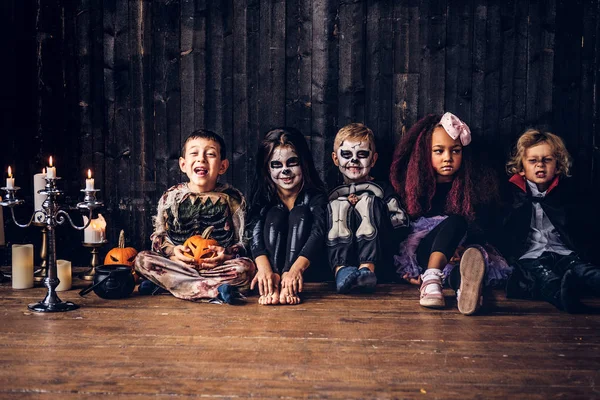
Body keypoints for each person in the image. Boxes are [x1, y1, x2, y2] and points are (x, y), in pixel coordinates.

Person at [390, 113, 511, 314]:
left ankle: (464, 289)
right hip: (425, 254)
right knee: (455, 220)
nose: (448, 158)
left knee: (462, 269)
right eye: (439, 151)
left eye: (455, 151)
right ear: (424, 154)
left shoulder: (475, 188)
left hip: (462, 252)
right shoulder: (417, 189)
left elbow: (484, 225)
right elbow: (401, 229)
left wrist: (462, 248)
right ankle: (431, 278)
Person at [134, 129, 256, 303]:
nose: (201, 159)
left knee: (246, 268)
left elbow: (243, 240)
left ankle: (168, 286)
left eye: (211, 154)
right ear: (183, 164)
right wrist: (173, 253)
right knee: (141, 260)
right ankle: (216, 291)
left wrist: (227, 254)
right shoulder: (172, 197)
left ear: (222, 166)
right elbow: (159, 237)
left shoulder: (232, 198)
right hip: (178, 265)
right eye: (194, 153)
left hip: (216, 267)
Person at [499, 128, 600, 312]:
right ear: (521, 168)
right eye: (533, 161)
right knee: (547, 277)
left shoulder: (566, 195)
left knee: (584, 270)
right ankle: (565, 300)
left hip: (562, 252)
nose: (540, 166)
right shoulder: (512, 195)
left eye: (547, 160)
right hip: (530, 256)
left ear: (558, 166)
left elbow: (580, 229)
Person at [248, 127, 329, 305]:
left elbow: (319, 232)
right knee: (275, 214)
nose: (285, 171)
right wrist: (265, 269)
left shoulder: (315, 196)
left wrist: (295, 271)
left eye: (292, 163)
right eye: (277, 165)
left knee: (300, 212)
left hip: (307, 271)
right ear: (266, 168)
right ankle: (274, 284)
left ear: (304, 163)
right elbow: (253, 233)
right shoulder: (263, 197)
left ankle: (287, 283)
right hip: (271, 270)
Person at [327, 123, 410, 293]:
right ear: (336, 159)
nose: (354, 160)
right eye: (347, 154)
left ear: (373, 159)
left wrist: (372, 207)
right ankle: (341, 270)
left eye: (362, 154)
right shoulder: (332, 193)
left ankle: (367, 269)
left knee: (368, 201)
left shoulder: (383, 189)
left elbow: (400, 223)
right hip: (344, 254)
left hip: (380, 255)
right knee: (338, 205)